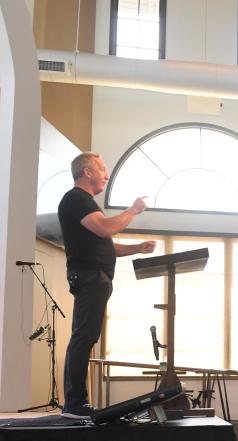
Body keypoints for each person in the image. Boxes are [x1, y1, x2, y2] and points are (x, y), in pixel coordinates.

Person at [58, 152, 155, 419]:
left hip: (94, 277)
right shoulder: (76, 199)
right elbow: (105, 229)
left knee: (85, 338)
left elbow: (104, 244)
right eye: (102, 169)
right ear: (87, 172)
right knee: (83, 338)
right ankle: (75, 404)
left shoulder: (84, 203)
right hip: (90, 277)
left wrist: (137, 248)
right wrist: (134, 210)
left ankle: (75, 403)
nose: (106, 174)